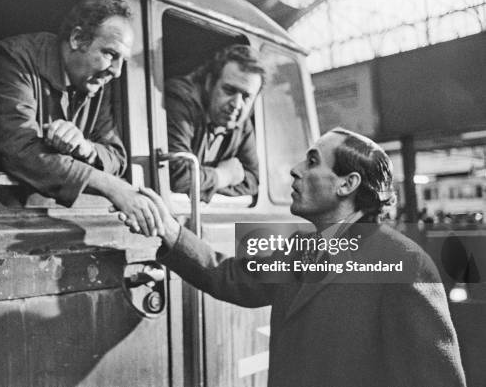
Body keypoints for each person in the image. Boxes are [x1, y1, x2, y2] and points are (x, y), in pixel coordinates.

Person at [122, 128, 466, 386]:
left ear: (346, 185)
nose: (296, 170)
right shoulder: (299, 249)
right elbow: (227, 277)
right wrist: (169, 230)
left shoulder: (406, 264)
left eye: (312, 161)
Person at [0, 0, 161, 235]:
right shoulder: (15, 59)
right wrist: (111, 187)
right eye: (110, 54)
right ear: (77, 38)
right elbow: (19, 149)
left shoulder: (96, 82)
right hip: (10, 218)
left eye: (122, 60)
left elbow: (116, 156)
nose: (117, 72)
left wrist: (87, 149)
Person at [165, 44, 265, 202]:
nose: (236, 105)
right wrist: (223, 176)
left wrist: (202, 184)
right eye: (229, 90)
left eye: (246, 97)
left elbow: (253, 181)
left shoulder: (241, 123)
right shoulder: (180, 99)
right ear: (209, 82)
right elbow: (179, 177)